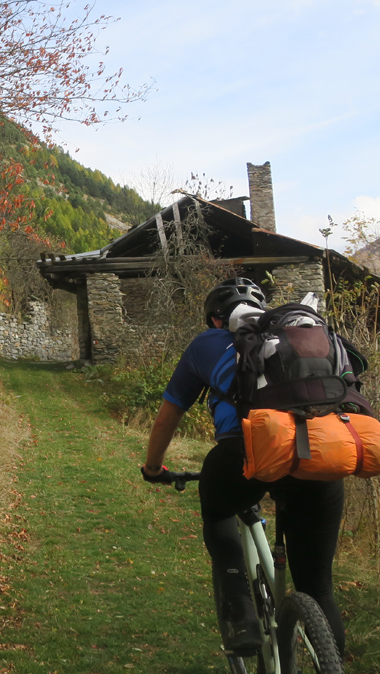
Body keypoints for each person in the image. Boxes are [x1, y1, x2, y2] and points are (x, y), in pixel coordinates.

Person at [140, 277, 346, 659]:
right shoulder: (301, 337)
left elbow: (169, 415)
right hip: (319, 452)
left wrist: (153, 468)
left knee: (218, 512)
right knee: (318, 588)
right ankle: (331, 662)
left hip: (245, 454)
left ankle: (241, 614)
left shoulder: (206, 344)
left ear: (215, 320)